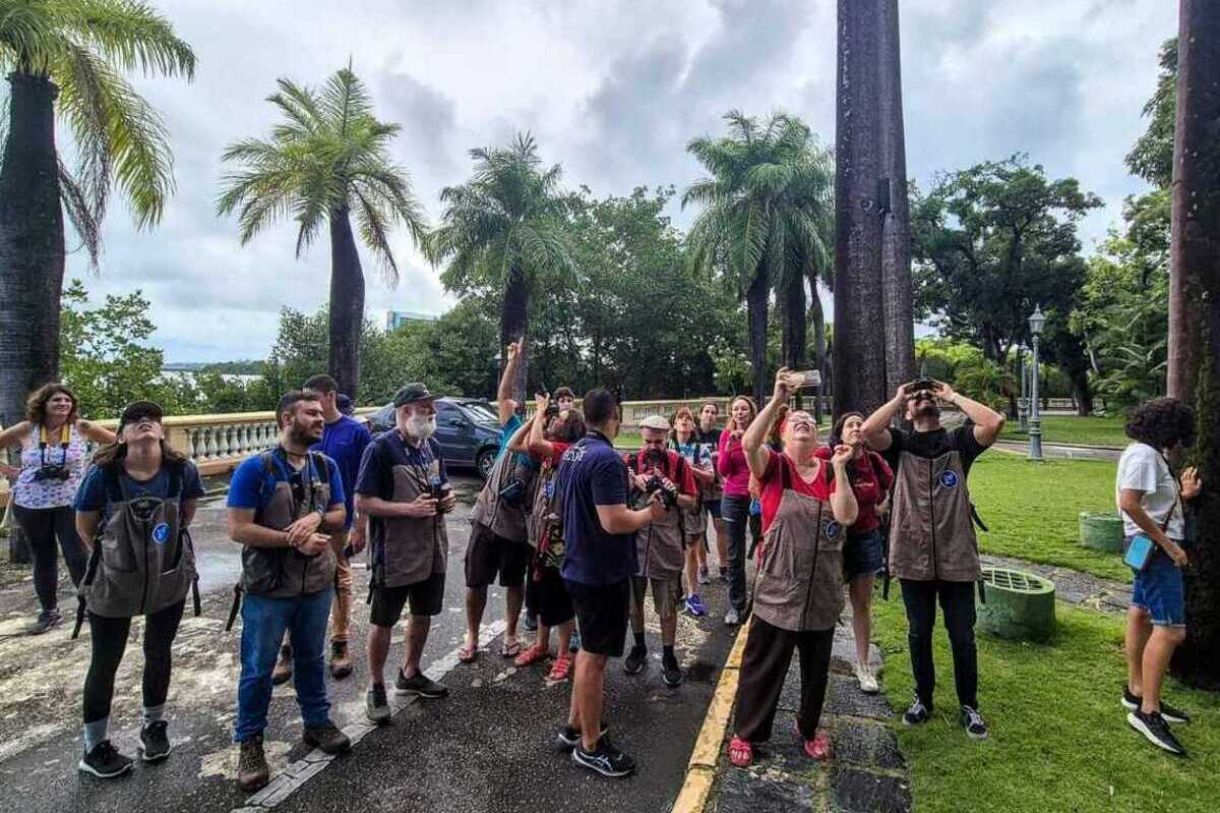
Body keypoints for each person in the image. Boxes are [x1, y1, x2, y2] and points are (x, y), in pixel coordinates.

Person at [726, 370, 858, 768]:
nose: (803, 423)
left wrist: (841, 469)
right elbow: (750, 442)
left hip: (822, 591)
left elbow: (846, 516)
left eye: (810, 424)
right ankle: (748, 732)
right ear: (783, 437)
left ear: (818, 439)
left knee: (816, 672)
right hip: (779, 588)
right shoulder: (775, 468)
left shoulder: (831, 472)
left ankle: (807, 727)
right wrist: (777, 396)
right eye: (795, 423)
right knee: (763, 665)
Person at [861, 379, 1004, 740]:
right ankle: (922, 698)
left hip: (957, 557)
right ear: (908, 413)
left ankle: (969, 704)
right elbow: (866, 431)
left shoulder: (960, 442)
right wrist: (897, 398)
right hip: (912, 557)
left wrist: (953, 395)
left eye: (929, 396)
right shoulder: (901, 444)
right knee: (918, 634)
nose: (924, 399)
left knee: (962, 636)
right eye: (918, 398)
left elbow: (994, 423)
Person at [226, 391, 351, 793]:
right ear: (286, 418)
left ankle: (316, 722)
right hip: (268, 588)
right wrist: (289, 540)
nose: (320, 419)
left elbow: (339, 513)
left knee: (311, 657)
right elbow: (238, 529)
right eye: (311, 413)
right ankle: (250, 741)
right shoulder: (255, 469)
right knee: (259, 667)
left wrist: (317, 516)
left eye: (320, 412)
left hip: (315, 583)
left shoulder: (325, 465)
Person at [72, 401, 204, 778]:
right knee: (105, 661)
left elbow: (185, 517)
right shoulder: (103, 476)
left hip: (168, 578)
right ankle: (94, 746)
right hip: (114, 584)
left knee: (158, 652)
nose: (144, 423)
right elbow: (86, 527)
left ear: (162, 432)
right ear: (121, 434)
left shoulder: (181, 473)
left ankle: (154, 725)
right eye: (133, 420)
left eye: (151, 420)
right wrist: (118, 557)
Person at [555, 389, 665, 778]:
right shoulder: (605, 459)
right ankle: (591, 745)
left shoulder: (573, 452)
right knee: (594, 659)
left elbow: (574, 505)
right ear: (614, 417)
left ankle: (574, 727)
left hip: (578, 565)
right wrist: (649, 513)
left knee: (588, 650)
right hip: (599, 571)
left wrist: (631, 490)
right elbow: (614, 521)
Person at [356, 384, 455, 725]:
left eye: (432, 407)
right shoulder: (380, 449)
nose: (432, 412)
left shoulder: (432, 446)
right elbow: (363, 502)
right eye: (426, 407)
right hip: (395, 552)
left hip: (432, 548)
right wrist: (406, 510)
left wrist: (448, 499)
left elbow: (442, 486)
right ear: (405, 411)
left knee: (423, 613)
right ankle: (376, 684)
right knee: (383, 620)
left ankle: (410, 672)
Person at [270, 375, 372, 684]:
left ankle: (339, 642)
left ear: (330, 396)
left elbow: (365, 482)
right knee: (291, 577)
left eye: (316, 401)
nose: (314, 410)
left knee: (338, 575)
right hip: (296, 519)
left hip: (337, 519)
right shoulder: (304, 434)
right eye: (308, 406)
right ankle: (286, 648)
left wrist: (360, 525)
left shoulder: (355, 433)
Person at [1117, 398, 1201, 756]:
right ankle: (1148, 711)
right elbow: (1129, 503)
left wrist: (1183, 495)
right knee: (1170, 630)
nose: (1181, 441)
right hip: (1154, 549)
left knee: (1141, 611)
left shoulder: (1150, 455)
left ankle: (1137, 690)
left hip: (1149, 547)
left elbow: (1150, 503)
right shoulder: (1143, 456)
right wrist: (1169, 546)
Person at [0, 383, 115, 634]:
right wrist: (9, 471)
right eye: (56, 401)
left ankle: (90, 606)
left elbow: (117, 444)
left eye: (66, 401)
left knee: (77, 554)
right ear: (43, 404)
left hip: (71, 502)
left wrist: (95, 468)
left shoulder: (81, 428)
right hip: (31, 503)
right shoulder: (27, 429)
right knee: (43, 556)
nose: (63, 404)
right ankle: (49, 611)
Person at [462, 340, 533, 662]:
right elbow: (503, 395)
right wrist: (513, 361)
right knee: (475, 581)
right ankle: (472, 636)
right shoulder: (513, 428)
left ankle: (511, 634)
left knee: (514, 582)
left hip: (516, 527)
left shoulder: (544, 447)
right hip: (486, 518)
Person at [507, 393, 585, 682]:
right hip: (538, 535)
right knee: (538, 595)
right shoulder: (547, 452)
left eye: (560, 420)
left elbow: (537, 442)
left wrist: (540, 410)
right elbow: (515, 444)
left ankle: (564, 653)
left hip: (559, 540)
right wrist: (532, 418)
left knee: (560, 599)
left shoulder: (566, 450)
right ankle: (541, 645)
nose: (553, 420)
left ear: (571, 430)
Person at [818, 412, 893, 694]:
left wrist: (882, 507)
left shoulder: (873, 461)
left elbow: (889, 485)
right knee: (827, 602)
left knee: (861, 604)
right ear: (840, 432)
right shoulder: (828, 456)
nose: (856, 427)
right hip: (833, 540)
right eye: (850, 424)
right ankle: (819, 659)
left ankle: (863, 664)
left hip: (865, 537)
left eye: (860, 424)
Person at [624, 414, 699, 686]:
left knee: (667, 607)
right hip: (633, 547)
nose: (653, 447)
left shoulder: (679, 464)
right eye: (648, 441)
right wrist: (633, 482)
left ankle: (669, 655)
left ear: (667, 437)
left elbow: (692, 503)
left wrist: (672, 493)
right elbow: (615, 500)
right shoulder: (630, 462)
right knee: (633, 605)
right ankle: (639, 646)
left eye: (659, 441)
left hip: (666, 547)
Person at [669, 407, 714, 617]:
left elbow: (710, 476)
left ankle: (693, 593)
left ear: (693, 425)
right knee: (671, 547)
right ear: (674, 424)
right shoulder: (667, 447)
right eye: (680, 418)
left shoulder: (700, 449)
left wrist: (688, 468)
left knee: (692, 549)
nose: (684, 421)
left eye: (688, 419)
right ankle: (675, 586)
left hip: (693, 504)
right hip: (670, 505)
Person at [718, 396, 758, 626]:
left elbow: (769, 461)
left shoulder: (760, 432)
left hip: (757, 496)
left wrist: (748, 441)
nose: (740, 412)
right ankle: (736, 603)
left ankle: (762, 600)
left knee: (764, 547)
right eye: (735, 409)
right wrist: (729, 445)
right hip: (733, 496)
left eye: (744, 408)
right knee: (735, 553)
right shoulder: (726, 435)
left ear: (751, 412)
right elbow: (724, 470)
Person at [695, 402, 728, 583]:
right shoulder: (693, 435)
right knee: (699, 529)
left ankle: (724, 566)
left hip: (717, 489)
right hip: (698, 488)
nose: (710, 415)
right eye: (707, 411)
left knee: (721, 526)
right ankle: (702, 567)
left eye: (713, 412)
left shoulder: (720, 435)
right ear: (700, 414)